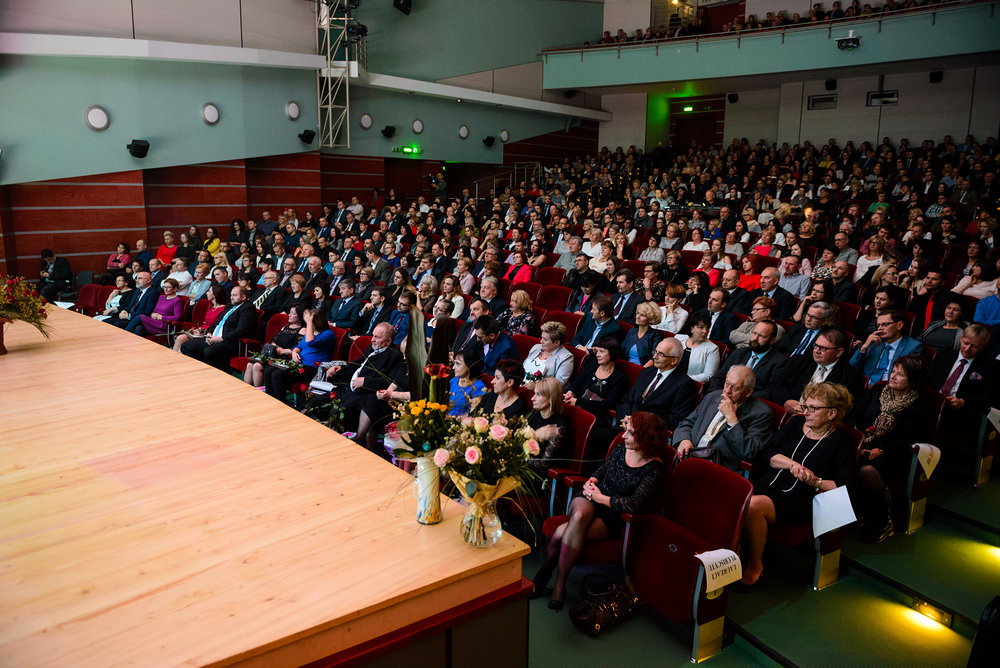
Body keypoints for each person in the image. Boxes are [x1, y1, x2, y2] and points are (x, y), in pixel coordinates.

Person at [532, 411, 670, 610]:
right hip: (588, 499)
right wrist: (592, 482)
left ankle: (544, 574)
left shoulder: (654, 469)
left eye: (630, 433)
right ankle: (560, 586)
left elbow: (633, 505)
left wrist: (601, 498)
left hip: (612, 513)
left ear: (645, 437)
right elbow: (602, 470)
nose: (623, 436)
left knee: (564, 531)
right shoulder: (621, 448)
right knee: (579, 515)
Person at [741, 382, 855, 584]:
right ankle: (730, 559)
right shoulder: (794, 424)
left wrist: (816, 481)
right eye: (806, 406)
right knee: (734, 495)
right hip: (768, 483)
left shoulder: (840, 441)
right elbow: (768, 453)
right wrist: (791, 464)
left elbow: (844, 486)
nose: (807, 412)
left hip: (801, 499)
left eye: (814, 408)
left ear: (832, 414)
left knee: (753, 505)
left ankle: (755, 565)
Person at [850, 356, 931, 542]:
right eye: (893, 371)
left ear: (914, 380)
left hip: (893, 454)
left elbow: (908, 440)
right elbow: (857, 415)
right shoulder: (878, 389)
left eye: (900, 374)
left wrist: (881, 450)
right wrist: (858, 438)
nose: (893, 376)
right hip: (865, 442)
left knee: (867, 471)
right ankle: (853, 513)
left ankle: (883, 521)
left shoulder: (918, 406)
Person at [674, 364, 773, 471]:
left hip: (718, 467)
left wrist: (732, 419)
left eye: (735, 388)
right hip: (689, 454)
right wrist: (684, 440)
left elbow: (750, 451)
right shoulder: (713, 397)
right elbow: (686, 423)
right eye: (727, 384)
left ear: (748, 392)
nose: (727, 391)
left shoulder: (761, 413)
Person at [326, 322, 403, 446]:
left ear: (388, 341)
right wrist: (339, 368)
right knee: (318, 403)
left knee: (338, 412)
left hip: (366, 394)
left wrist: (365, 382)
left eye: (377, 337)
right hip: (349, 389)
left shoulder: (394, 356)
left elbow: (389, 381)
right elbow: (357, 364)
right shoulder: (371, 348)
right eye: (373, 335)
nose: (372, 340)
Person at [615, 337, 696, 429]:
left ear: (674, 360)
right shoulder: (646, 372)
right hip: (625, 426)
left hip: (648, 433)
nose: (654, 357)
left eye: (660, 354)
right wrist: (627, 419)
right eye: (655, 351)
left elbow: (675, 419)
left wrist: (638, 422)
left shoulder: (684, 384)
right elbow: (626, 400)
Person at [772, 329, 863, 410]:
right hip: (789, 413)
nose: (816, 351)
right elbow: (776, 384)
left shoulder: (851, 376)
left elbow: (846, 408)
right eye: (815, 346)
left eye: (823, 348)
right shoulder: (798, 361)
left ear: (839, 352)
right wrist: (787, 401)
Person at [264, 307, 334, 403]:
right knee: (269, 370)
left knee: (277, 375)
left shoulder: (328, 334)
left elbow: (310, 342)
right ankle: (270, 401)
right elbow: (299, 346)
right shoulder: (311, 332)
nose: (307, 324)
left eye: (309, 321)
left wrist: (309, 323)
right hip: (299, 364)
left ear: (317, 322)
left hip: (312, 368)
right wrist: (294, 352)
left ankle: (280, 403)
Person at [180, 286, 256, 370]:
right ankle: (203, 368)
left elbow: (241, 330)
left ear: (243, 297)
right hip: (213, 338)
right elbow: (216, 323)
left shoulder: (247, 308)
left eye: (234, 295)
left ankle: (216, 371)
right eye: (231, 295)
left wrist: (220, 339)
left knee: (209, 352)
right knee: (186, 346)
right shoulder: (230, 306)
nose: (231, 297)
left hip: (228, 341)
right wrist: (209, 333)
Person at [708, 320, 786, 399]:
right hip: (723, 396)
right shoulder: (739, 353)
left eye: (761, 336)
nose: (755, 338)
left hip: (748, 404)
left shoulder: (779, 362)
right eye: (754, 333)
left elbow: (769, 393)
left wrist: (738, 397)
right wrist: (719, 395)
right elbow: (719, 377)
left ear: (772, 340)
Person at [564, 337, 628, 427]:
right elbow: (576, 384)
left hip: (597, 417)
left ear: (612, 353)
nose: (597, 355)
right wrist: (571, 392)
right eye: (597, 351)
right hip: (578, 407)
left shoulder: (619, 379)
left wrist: (578, 402)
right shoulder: (592, 366)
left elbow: (606, 405)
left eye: (602, 351)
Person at [849, 310, 924, 386]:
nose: (880, 329)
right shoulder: (874, 342)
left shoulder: (913, 347)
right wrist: (864, 347)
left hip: (889, 389)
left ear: (899, 325)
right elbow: (852, 366)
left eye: (885, 324)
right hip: (864, 385)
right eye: (878, 325)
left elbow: (910, 378)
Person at [242, 305, 304, 388]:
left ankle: (259, 393)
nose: (289, 315)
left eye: (292, 314)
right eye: (289, 312)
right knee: (249, 365)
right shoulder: (285, 327)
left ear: (299, 316)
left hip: (285, 358)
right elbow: (273, 341)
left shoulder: (302, 330)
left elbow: (298, 348)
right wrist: (275, 347)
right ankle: (246, 391)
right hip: (274, 354)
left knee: (257, 366)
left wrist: (282, 350)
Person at [526, 377, 569, 473]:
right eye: (534, 393)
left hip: (539, 475)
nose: (532, 398)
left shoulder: (559, 427)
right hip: (524, 466)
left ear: (551, 399)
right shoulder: (533, 414)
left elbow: (543, 464)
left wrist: (520, 459)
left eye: (538, 394)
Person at [172, 285, 227, 352]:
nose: (206, 293)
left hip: (209, 333)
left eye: (209, 291)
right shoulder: (211, 306)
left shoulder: (224, 309)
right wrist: (197, 329)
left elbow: (217, 326)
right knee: (180, 338)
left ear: (215, 295)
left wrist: (203, 332)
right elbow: (205, 323)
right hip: (201, 330)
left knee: (184, 346)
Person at [523, 321, 574, 387]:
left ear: (556, 342)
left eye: (545, 339)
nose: (541, 341)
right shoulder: (536, 347)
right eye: (541, 337)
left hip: (543, 394)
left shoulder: (566, 357)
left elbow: (559, 384)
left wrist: (537, 386)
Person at [673, 312, 721, 382]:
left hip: (688, 383)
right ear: (692, 328)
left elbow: (708, 375)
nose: (705, 331)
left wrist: (683, 380)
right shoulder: (678, 338)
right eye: (701, 327)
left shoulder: (712, 349)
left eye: (707, 328)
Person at [621, 301, 664, 366]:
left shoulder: (655, 335)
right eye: (637, 313)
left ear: (650, 319)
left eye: (642, 315)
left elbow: (654, 358)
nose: (638, 317)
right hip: (625, 366)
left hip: (642, 370)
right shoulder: (631, 331)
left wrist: (641, 371)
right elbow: (621, 350)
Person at [448, 348, 488, 417]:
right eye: (454, 363)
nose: (453, 367)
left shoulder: (479, 387)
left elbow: (474, 414)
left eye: (458, 364)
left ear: (469, 366)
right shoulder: (453, 381)